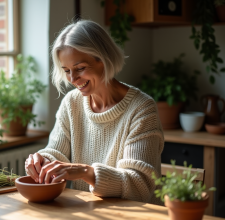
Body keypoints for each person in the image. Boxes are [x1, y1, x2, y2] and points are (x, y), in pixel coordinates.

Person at [25, 19, 164, 205]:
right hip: (86, 212)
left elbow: (140, 186)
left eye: (80, 68)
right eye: (66, 70)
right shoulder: (71, 103)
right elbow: (56, 152)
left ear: (104, 60)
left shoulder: (141, 109)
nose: (73, 79)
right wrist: (42, 161)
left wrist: (85, 171)